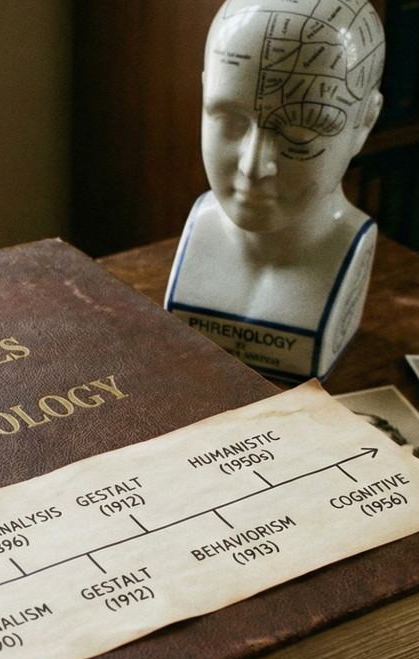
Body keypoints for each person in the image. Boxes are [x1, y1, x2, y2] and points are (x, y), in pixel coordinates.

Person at [165, 0, 385, 379]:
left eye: (298, 134)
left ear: (364, 123)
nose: (253, 167)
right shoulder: (201, 226)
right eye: (229, 121)